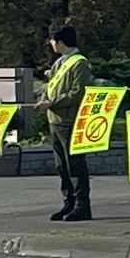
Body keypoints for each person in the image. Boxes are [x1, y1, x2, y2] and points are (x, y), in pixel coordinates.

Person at [37, 26, 91, 222]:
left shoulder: (80, 63)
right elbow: (50, 86)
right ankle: (68, 203)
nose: (51, 45)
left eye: (53, 41)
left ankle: (82, 205)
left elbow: (77, 93)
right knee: (62, 166)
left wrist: (53, 103)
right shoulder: (59, 63)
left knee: (74, 164)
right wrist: (44, 99)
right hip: (55, 120)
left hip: (70, 120)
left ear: (60, 42)